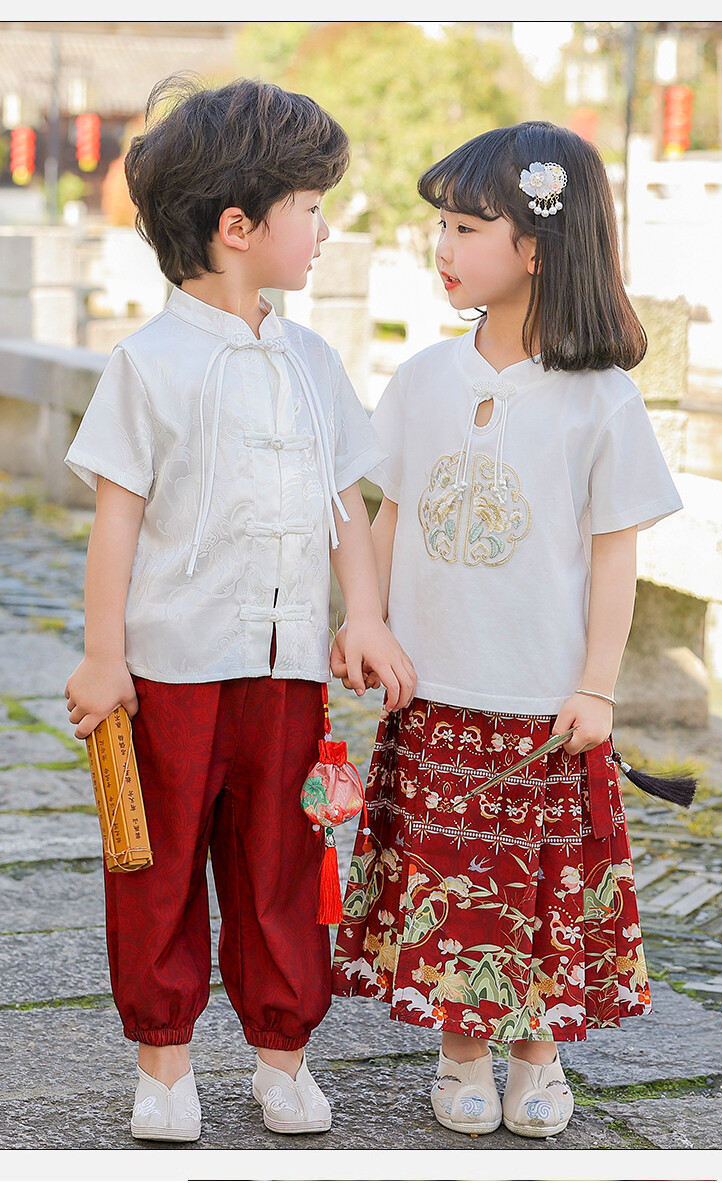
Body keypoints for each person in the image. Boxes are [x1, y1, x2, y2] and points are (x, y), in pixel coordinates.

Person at [63, 74, 416, 1143]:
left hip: (287, 668)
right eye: (309, 207)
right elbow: (117, 520)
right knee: (157, 860)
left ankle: (282, 1054)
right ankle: (164, 1063)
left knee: (284, 860)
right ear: (236, 227)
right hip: (169, 666)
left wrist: (364, 614)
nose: (323, 228)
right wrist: (103, 655)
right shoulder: (147, 363)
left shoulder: (312, 362)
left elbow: (345, 504)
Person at [331, 121, 683, 1140]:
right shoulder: (422, 379)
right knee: (447, 879)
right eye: (440, 225)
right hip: (435, 687)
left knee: (538, 887)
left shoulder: (601, 399)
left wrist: (597, 685)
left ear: (536, 246)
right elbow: (389, 515)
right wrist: (366, 619)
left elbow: (613, 557)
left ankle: (537, 1052)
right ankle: (461, 1052)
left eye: (466, 227)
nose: (441, 247)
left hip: (543, 699)